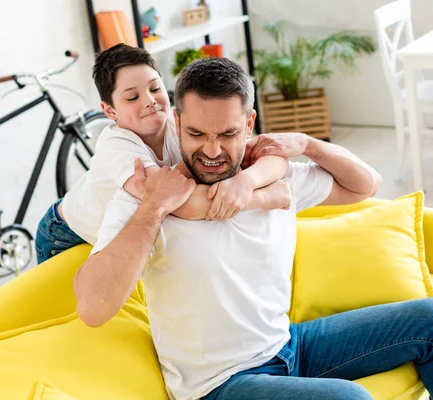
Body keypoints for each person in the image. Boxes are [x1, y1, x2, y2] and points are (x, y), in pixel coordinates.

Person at [74, 57, 433, 400]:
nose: (212, 150)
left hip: (288, 344)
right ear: (177, 122)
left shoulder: (269, 176)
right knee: (348, 398)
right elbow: (93, 308)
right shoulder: (150, 199)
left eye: (228, 133)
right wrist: (154, 207)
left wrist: (307, 144)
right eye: (197, 133)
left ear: (249, 125)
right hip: (220, 383)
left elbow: (365, 184)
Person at [35, 44, 289, 264]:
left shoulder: (179, 124)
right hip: (65, 232)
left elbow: (266, 154)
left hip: (109, 228)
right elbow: (176, 203)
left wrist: (248, 180)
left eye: (155, 88)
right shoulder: (117, 146)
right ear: (109, 111)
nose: (150, 101)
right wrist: (262, 197)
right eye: (132, 97)